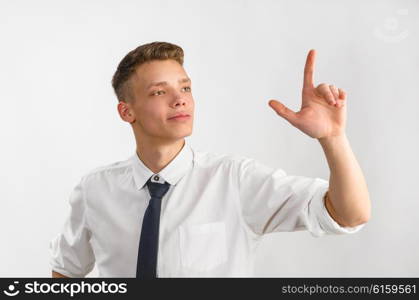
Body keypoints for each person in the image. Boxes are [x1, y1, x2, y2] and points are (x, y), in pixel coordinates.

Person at [49, 41, 370, 278]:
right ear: (126, 111)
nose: (180, 100)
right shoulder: (95, 190)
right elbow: (65, 272)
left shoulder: (235, 180)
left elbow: (349, 215)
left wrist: (332, 138)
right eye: (160, 92)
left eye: (185, 88)